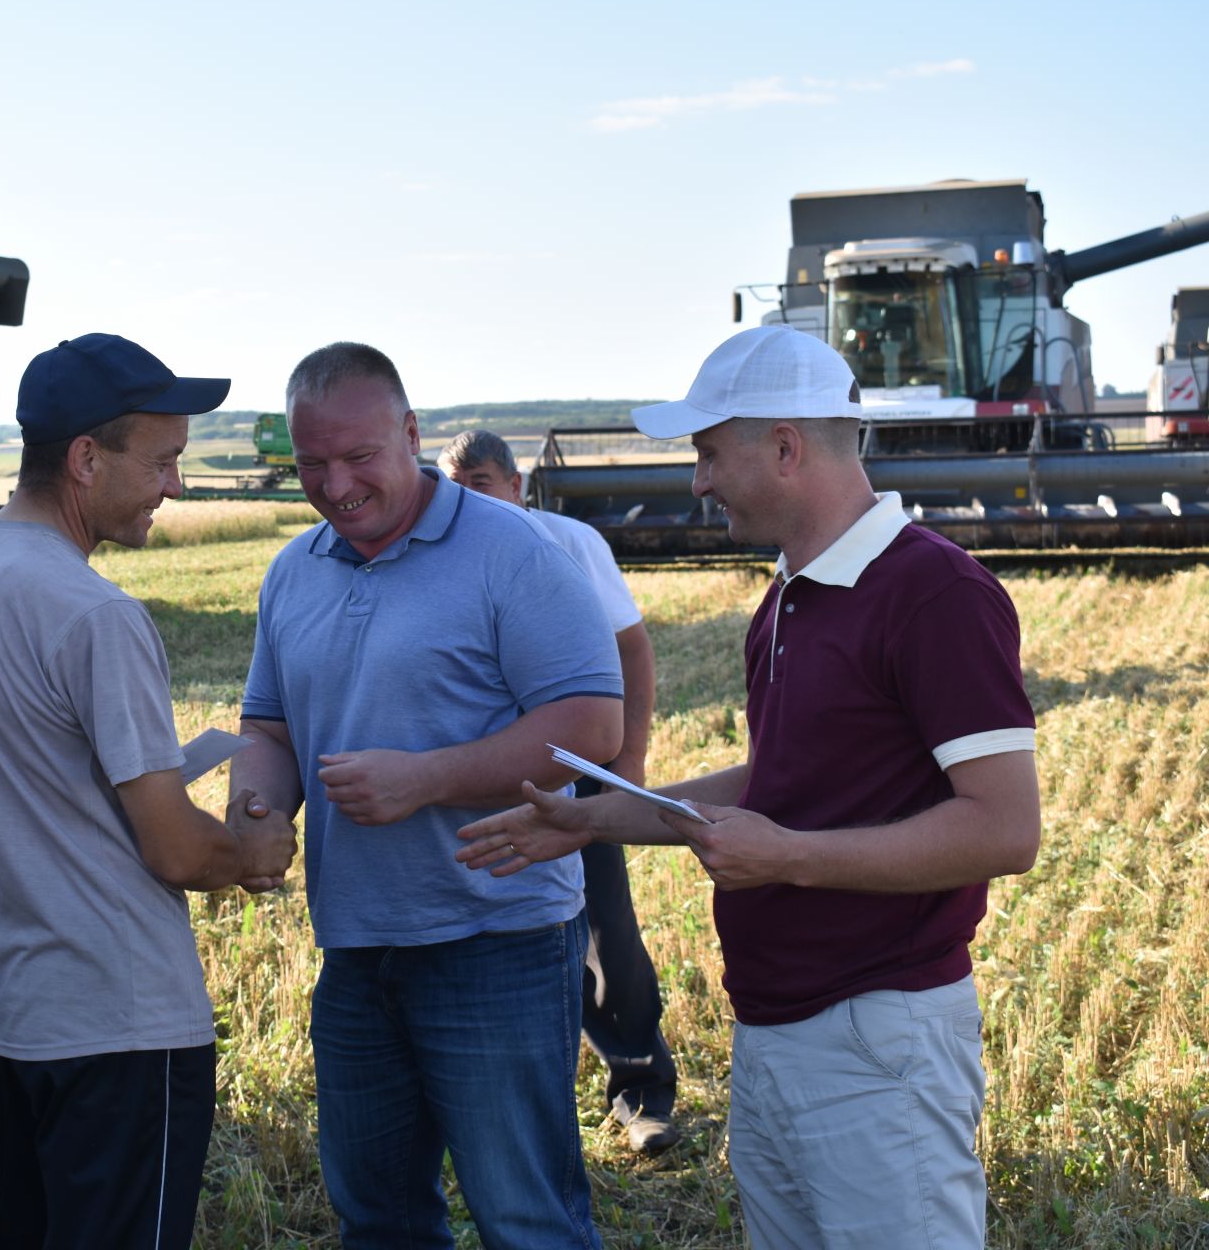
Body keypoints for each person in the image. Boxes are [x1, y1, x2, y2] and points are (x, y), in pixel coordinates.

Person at [458, 325, 1041, 1249]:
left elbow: (1006, 829)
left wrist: (792, 858)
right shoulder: (788, 594)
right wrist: (590, 818)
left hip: (875, 1041)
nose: (697, 480)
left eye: (706, 452)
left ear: (784, 448)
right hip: (776, 1027)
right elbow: (784, 773)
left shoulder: (935, 592)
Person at [0, 334, 296, 1250]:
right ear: (86, 461)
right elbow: (174, 849)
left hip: (6, 1017)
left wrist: (23, 813)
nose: (174, 485)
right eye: (164, 461)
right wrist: (252, 854)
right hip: (120, 1020)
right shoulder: (96, 614)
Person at [230, 343, 623, 1249]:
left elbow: (590, 728)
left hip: (498, 942)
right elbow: (271, 731)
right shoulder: (294, 570)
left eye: (359, 457)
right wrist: (257, 809)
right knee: (378, 1219)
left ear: (412, 433)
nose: (336, 484)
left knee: (526, 1219)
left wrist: (427, 778)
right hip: (358, 948)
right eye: (311, 465)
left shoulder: (509, 549)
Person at [436, 429, 680, 1155]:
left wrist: (627, 763)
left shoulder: (566, 542)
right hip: (474, 784)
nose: (465, 498)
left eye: (479, 481)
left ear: (516, 485)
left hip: (569, 779)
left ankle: (640, 1093)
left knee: (607, 936)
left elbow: (631, 645)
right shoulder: (434, 555)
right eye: (453, 484)